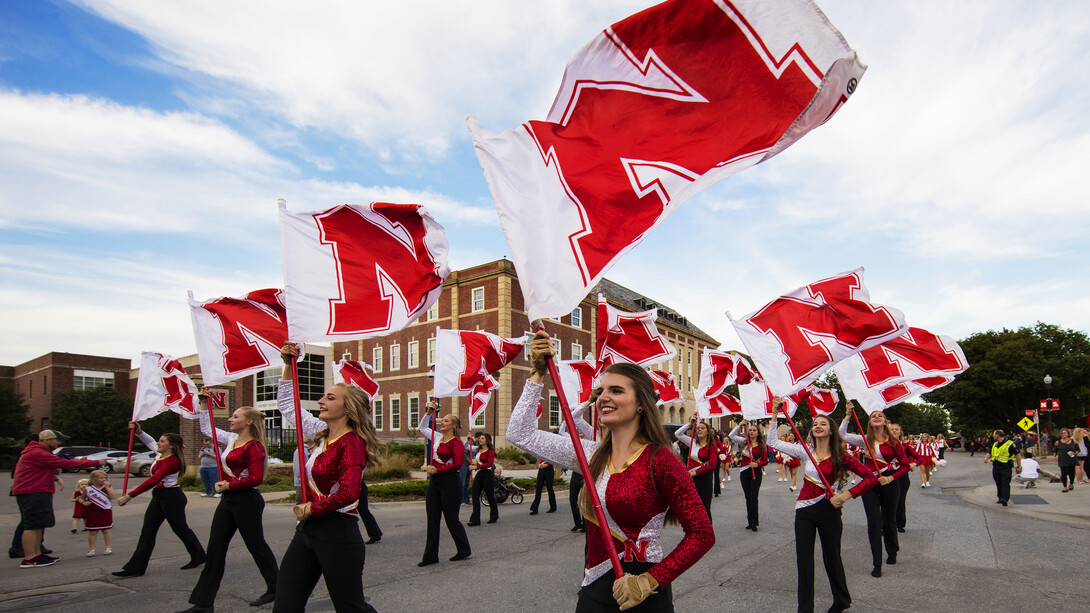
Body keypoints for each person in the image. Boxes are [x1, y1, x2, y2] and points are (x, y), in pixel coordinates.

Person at [507, 332, 713, 611]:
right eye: (602, 390)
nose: (603, 397)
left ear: (641, 403)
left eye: (616, 390)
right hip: (593, 589)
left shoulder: (661, 460)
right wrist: (537, 374)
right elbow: (520, 433)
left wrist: (651, 580)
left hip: (641, 592)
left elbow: (702, 533)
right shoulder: (589, 454)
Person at [274, 342, 383, 613]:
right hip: (308, 531)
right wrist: (289, 364)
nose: (321, 401)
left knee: (350, 608)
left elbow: (348, 493)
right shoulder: (322, 431)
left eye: (330, 398)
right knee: (285, 607)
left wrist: (312, 507)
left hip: (338, 533)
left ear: (348, 408)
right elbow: (288, 406)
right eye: (324, 397)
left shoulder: (352, 443)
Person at [769, 400, 878, 613]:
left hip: (829, 510)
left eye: (823, 424)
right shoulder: (804, 451)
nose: (818, 426)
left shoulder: (841, 455)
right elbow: (773, 442)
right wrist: (774, 415)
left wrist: (845, 495)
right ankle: (805, 608)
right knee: (804, 561)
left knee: (832, 558)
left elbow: (870, 478)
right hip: (804, 511)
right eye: (815, 424)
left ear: (831, 431)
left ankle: (841, 600)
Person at [178, 401, 279, 612]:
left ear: (248, 421)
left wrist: (228, 484)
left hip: (247, 501)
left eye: (235, 416)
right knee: (215, 550)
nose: (230, 419)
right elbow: (207, 429)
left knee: (256, 546)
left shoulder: (255, 446)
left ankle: (276, 587)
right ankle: (203, 603)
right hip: (229, 501)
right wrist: (205, 405)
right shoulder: (232, 439)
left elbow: (256, 478)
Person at [113, 423, 206, 577]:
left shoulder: (172, 461)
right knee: (147, 532)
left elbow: (153, 480)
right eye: (159, 440)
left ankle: (198, 555)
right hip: (159, 496)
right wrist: (139, 431)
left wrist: (130, 495)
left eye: (162, 441)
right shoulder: (160, 454)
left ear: (171, 446)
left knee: (180, 529)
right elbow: (149, 441)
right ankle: (136, 567)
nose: (158, 443)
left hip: (172, 498)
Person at [12, 429, 105, 568]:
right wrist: (96, 461)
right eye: (57, 439)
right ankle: (29, 558)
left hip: (38, 491)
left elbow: (40, 469)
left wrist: (54, 475)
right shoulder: (37, 452)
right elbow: (67, 463)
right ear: (46, 440)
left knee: (38, 524)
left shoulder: (38, 452)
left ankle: (37, 554)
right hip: (33, 492)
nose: (59, 442)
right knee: (31, 525)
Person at [839, 403, 909, 578]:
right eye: (873, 416)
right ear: (870, 422)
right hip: (870, 483)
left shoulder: (893, 442)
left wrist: (891, 478)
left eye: (880, 415)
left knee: (889, 521)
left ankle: (892, 551)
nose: (876, 417)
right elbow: (842, 434)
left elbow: (905, 466)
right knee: (874, 523)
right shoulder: (864, 439)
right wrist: (848, 414)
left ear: (885, 421)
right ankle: (876, 562)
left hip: (889, 482)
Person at [418, 399, 472, 566]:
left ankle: (464, 549)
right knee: (432, 519)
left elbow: (457, 464)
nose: (442, 422)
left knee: (451, 519)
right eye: (443, 420)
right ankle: (431, 556)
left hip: (450, 483)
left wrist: (437, 470)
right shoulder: (437, 437)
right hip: (435, 484)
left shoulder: (456, 443)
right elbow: (421, 428)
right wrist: (428, 413)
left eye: (446, 420)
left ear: (454, 425)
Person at [673, 414, 717, 519]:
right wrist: (689, 424)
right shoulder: (692, 442)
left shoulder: (711, 446)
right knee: (692, 508)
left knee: (704, 508)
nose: (699, 430)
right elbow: (677, 434)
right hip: (691, 479)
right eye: (698, 428)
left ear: (707, 432)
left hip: (704, 479)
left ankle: (707, 533)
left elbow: (712, 465)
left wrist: (696, 472)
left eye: (702, 428)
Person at [729, 419, 769, 532]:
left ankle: (754, 522)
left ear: (758, 433)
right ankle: (749, 521)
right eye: (750, 430)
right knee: (747, 497)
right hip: (744, 472)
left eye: (754, 430)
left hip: (755, 472)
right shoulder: (744, 442)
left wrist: (757, 464)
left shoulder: (761, 445)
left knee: (753, 497)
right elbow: (731, 435)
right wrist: (739, 425)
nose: (751, 432)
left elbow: (765, 461)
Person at [890, 424, 918, 534]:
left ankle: (900, 523)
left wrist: (913, 464)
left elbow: (919, 458)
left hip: (902, 477)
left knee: (900, 501)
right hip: (889, 476)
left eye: (896, 429)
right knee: (887, 502)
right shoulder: (884, 445)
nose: (894, 431)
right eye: (892, 429)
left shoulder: (905, 446)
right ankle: (887, 524)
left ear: (900, 432)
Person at [467, 432, 499, 526]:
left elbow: (489, 464)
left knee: (490, 495)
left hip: (487, 474)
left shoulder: (490, 451)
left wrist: (476, 466)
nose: (480, 440)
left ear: (487, 440)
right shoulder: (478, 450)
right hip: (480, 474)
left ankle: (494, 516)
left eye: (482, 438)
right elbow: (466, 448)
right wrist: (468, 439)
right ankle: (475, 519)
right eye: (480, 438)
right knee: (475, 495)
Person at [80, 469, 114, 557]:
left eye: (105, 478)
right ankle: (92, 549)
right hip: (92, 512)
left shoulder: (107, 487)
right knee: (92, 532)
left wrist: (107, 487)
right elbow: (80, 498)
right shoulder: (88, 489)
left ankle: (108, 547)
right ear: (94, 479)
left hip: (105, 511)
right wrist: (84, 503)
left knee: (106, 530)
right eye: (101, 478)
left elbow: (113, 496)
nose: (104, 480)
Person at [984, 429, 1020, 507]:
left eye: (994, 434)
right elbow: (990, 452)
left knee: (1005, 482)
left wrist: (1019, 466)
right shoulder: (995, 444)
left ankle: (1005, 499)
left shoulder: (1010, 444)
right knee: (998, 481)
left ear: (997, 435)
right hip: (996, 466)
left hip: (1006, 466)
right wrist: (986, 458)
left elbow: (1017, 454)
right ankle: (1000, 497)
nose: (993, 436)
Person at [358, 474, 383, 545]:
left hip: (359, 488)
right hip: (358, 487)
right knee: (364, 511)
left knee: (364, 511)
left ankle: (375, 534)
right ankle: (376, 533)